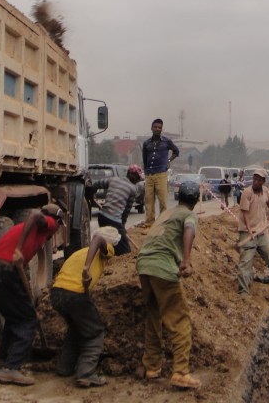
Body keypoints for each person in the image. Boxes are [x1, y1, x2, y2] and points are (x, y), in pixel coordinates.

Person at [0, 204, 64, 385]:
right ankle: (11, 368)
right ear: (56, 221)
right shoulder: (47, 223)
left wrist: (28, 301)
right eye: (60, 225)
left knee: (14, 316)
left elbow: (20, 270)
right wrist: (18, 249)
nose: (57, 230)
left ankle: (4, 358)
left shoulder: (34, 234)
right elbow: (34, 213)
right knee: (28, 321)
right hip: (3, 270)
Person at [136, 179, 201, 390]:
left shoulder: (166, 214)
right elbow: (189, 229)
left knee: (154, 315)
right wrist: (186, 260)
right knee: (180, 318)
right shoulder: (188, 215)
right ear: (196, 200)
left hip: (144, 265)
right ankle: (181, 372)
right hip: (162, 268)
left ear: (179, 196)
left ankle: (152, 367)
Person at [50, 226, 121, 387]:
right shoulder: (105, 247)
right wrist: (86, 268)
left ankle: (64, 366)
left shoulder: (78, 253)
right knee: (95, 332)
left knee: (76, 329)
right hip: (75, 294)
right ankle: (86, 373)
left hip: (57, 293)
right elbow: (98, 240)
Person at [235, 168, 269, 296]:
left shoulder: (265, 191)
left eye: (259, 180)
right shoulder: (247, 193)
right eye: (254, 179)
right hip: (248, 234)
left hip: (262, 232)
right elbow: (245, 213)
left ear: (263, 181)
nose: (256, 182)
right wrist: (249, 230)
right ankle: (243, 291)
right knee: (245, 263)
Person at [95, 164, 143, 254]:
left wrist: (91, 194)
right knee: (125, 250)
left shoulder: (114, 179)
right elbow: (126, 211)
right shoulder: (133, 189)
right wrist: (122, 227)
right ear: (136, 178)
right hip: (114, 221)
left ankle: (105, 253)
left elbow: (97, 184)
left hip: (101, 217)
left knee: (108, 239)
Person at [142, 118, 179, 226]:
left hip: (161, 174)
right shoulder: (146, 143)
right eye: (156, 127)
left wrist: (168, 161)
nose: (157, 129)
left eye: (160, 127)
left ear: (161, 129)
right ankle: (149, 222)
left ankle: (162, 223)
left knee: (162, 200)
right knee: (149, 200)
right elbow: (145, 159)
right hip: (149, 175)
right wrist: (146, 171)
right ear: (151, 128)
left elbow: (176, 151)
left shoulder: (167, 142)